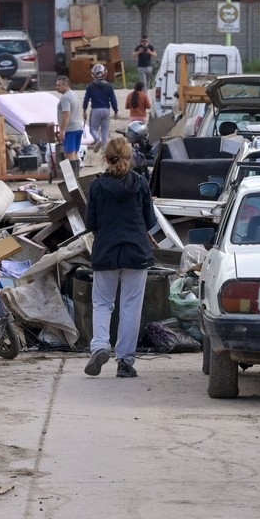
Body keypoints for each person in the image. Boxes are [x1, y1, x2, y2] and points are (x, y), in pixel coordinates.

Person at [83, 138, 157, 378]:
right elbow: (150, 222)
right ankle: (125, 362)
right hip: (136, 251)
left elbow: (90, 223)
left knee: (102, 303)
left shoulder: (97, 186)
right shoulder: (141, 184)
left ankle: (100, 346)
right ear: (130, 157)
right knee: (130, 306)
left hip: (105, 251)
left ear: (106, 159)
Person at [83, 64, 118, 154]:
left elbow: (86, 99)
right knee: (105, 131)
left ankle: (97, 140)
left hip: (95, 110)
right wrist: (116, 110)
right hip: (106, 110)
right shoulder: (109, 86)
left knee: (93, 129)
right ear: (104, 73)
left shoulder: (90, 86)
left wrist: (84, 110)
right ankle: (104, 149)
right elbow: (113, 99)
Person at [55, 75, 84, 174]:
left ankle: (72, 180)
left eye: (58, 85)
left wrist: (62, 130)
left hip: (70, 129)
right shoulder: (73, 94)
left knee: (69, 153)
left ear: (64, 85)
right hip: (78, 127)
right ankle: (77, 177)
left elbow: (66, 113)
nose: (56, 87)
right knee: (75, 153)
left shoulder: (65, 97)